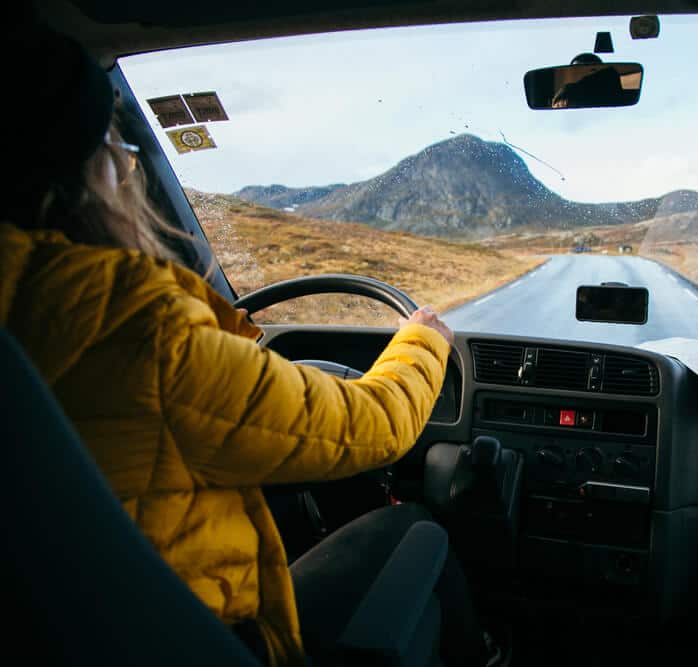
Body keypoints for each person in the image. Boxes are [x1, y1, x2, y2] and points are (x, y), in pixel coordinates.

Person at [0, 26, 497, 667]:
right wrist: (423, 341)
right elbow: (370, 425)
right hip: (204, 631)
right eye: (122, 154)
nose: (126, 169)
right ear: (89, 173)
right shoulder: (140, 326)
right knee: (414, 531)